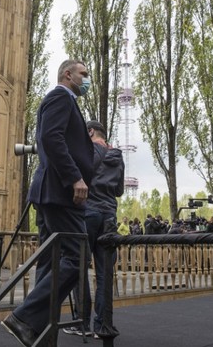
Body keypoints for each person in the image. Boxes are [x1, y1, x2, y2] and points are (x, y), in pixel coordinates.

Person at [2, 59, 94, 347]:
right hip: (61, 193)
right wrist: (75, 177)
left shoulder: (63, 101)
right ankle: (25, 318)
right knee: (78, 258)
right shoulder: (60, 97)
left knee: (50, 263)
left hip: (51, 193)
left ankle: (38, 334)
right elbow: (50, 139)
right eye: (83, 74)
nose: (87, 79)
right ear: (68, 74)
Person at [63, 120, 125, 338]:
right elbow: (119, 190)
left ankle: (82, 323)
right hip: (109, 216)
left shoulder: (89, 151)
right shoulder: (117, 155)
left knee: (79, 265)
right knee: (105, 272)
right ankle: (102, 325)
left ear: (90, 132)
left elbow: (78, 179)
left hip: (88, 212)